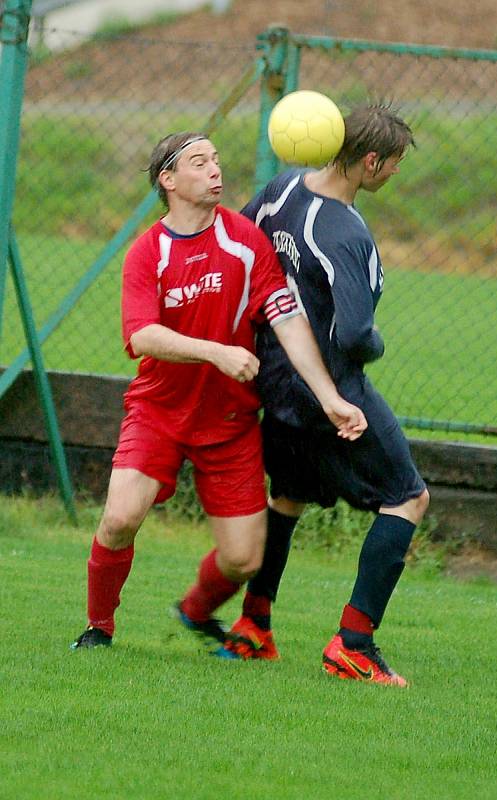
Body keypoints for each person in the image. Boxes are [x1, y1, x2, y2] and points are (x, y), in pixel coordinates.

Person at [70, 131, 366, 650]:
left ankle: (196, 609)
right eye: (199, 162)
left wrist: (329, 398)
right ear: (168, 180)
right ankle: (99, 628)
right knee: (118, 519)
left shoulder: (245, 241)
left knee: (243, 560)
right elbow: (141, 335)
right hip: (157, 412)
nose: (214, 170)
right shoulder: (147, 253)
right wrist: (216, 351)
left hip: (227, 424)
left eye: (216, 161)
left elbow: (288, 320)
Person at [225, 104, 430, 687]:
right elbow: (355, 333)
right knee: (407, 498)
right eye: (391, 164)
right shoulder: (344, 231)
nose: (393, 173)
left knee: (289, 496)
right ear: (369, 161)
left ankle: (252, 628)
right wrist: (377, 346)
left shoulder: (281, 188)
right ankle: (354, 643)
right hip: (332, 393)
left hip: (275, 381)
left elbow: (243, 244)